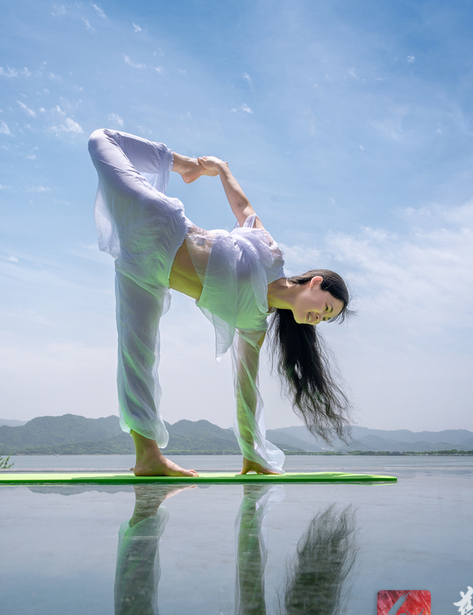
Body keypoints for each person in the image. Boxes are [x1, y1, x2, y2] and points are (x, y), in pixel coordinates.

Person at [89, 129, 351, 477]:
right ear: (316, 283)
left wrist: (252, 453)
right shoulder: (271, 255)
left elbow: (246, 390)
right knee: (101, 140)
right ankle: (182, 164)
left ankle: (147, 456)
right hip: (157, 224)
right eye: (326, 308)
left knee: (136, 357)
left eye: (325, 320)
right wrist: (221, 169)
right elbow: (243, 208)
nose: (319, 318)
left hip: (144, 274)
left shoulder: (255, 324)